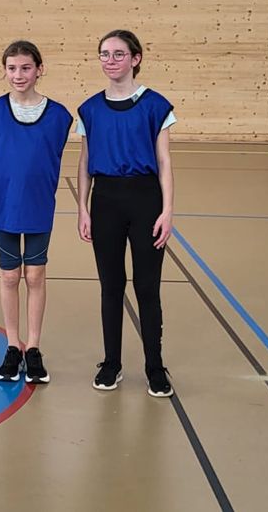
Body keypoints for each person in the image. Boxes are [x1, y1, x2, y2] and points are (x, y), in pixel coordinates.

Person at [75, 29, 178, 398]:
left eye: (118, 54)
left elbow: (164, 161)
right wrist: (83, 207)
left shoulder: (155, 106)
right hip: (106, 201)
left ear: (135, 59)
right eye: (104, 54)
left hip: (145, 199)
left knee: (147, 287)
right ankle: (111, 363)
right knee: (111, 285)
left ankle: (155, 367)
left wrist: (167, 210)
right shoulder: (90, 109)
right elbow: (85, 162)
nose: (110, 60)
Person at [0, 41, 72, 384]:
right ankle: (12, 346)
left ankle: (33, 347)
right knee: (9, 276)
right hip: (4, 206)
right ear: (4, 70)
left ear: (39, 70)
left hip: (39, 205)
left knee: (35, 275)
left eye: (26, 68)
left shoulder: (60, 116)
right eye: (12, 68)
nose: (18, 75)